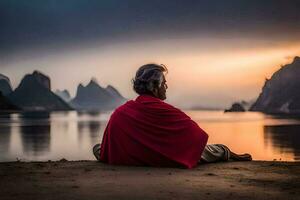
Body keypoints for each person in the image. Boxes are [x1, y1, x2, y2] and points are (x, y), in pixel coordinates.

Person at [93, 63, 252, 168]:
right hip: (168, 157)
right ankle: (228, 152)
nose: (166, 86)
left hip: (134, 156)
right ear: (154, 87)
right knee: (217, 150)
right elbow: (196, 138)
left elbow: (108, 147)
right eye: (164, 83)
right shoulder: (169, 113)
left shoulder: (120, 113)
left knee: (98, 148)